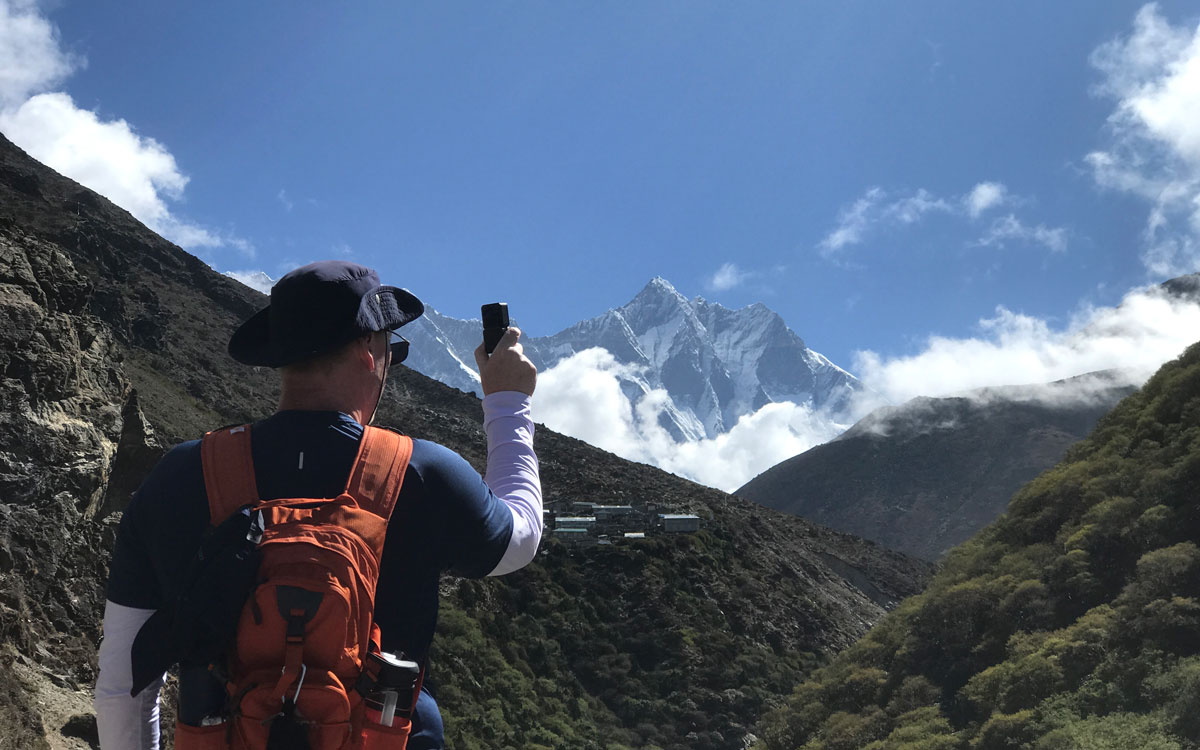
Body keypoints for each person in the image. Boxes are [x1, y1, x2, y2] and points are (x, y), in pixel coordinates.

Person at [93, 260, 541, 749]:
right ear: (369, 350)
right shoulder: (424, 473)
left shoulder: (181, 474)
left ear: (280, 358)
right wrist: (507, 403)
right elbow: (519, 540)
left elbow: (124, 686)